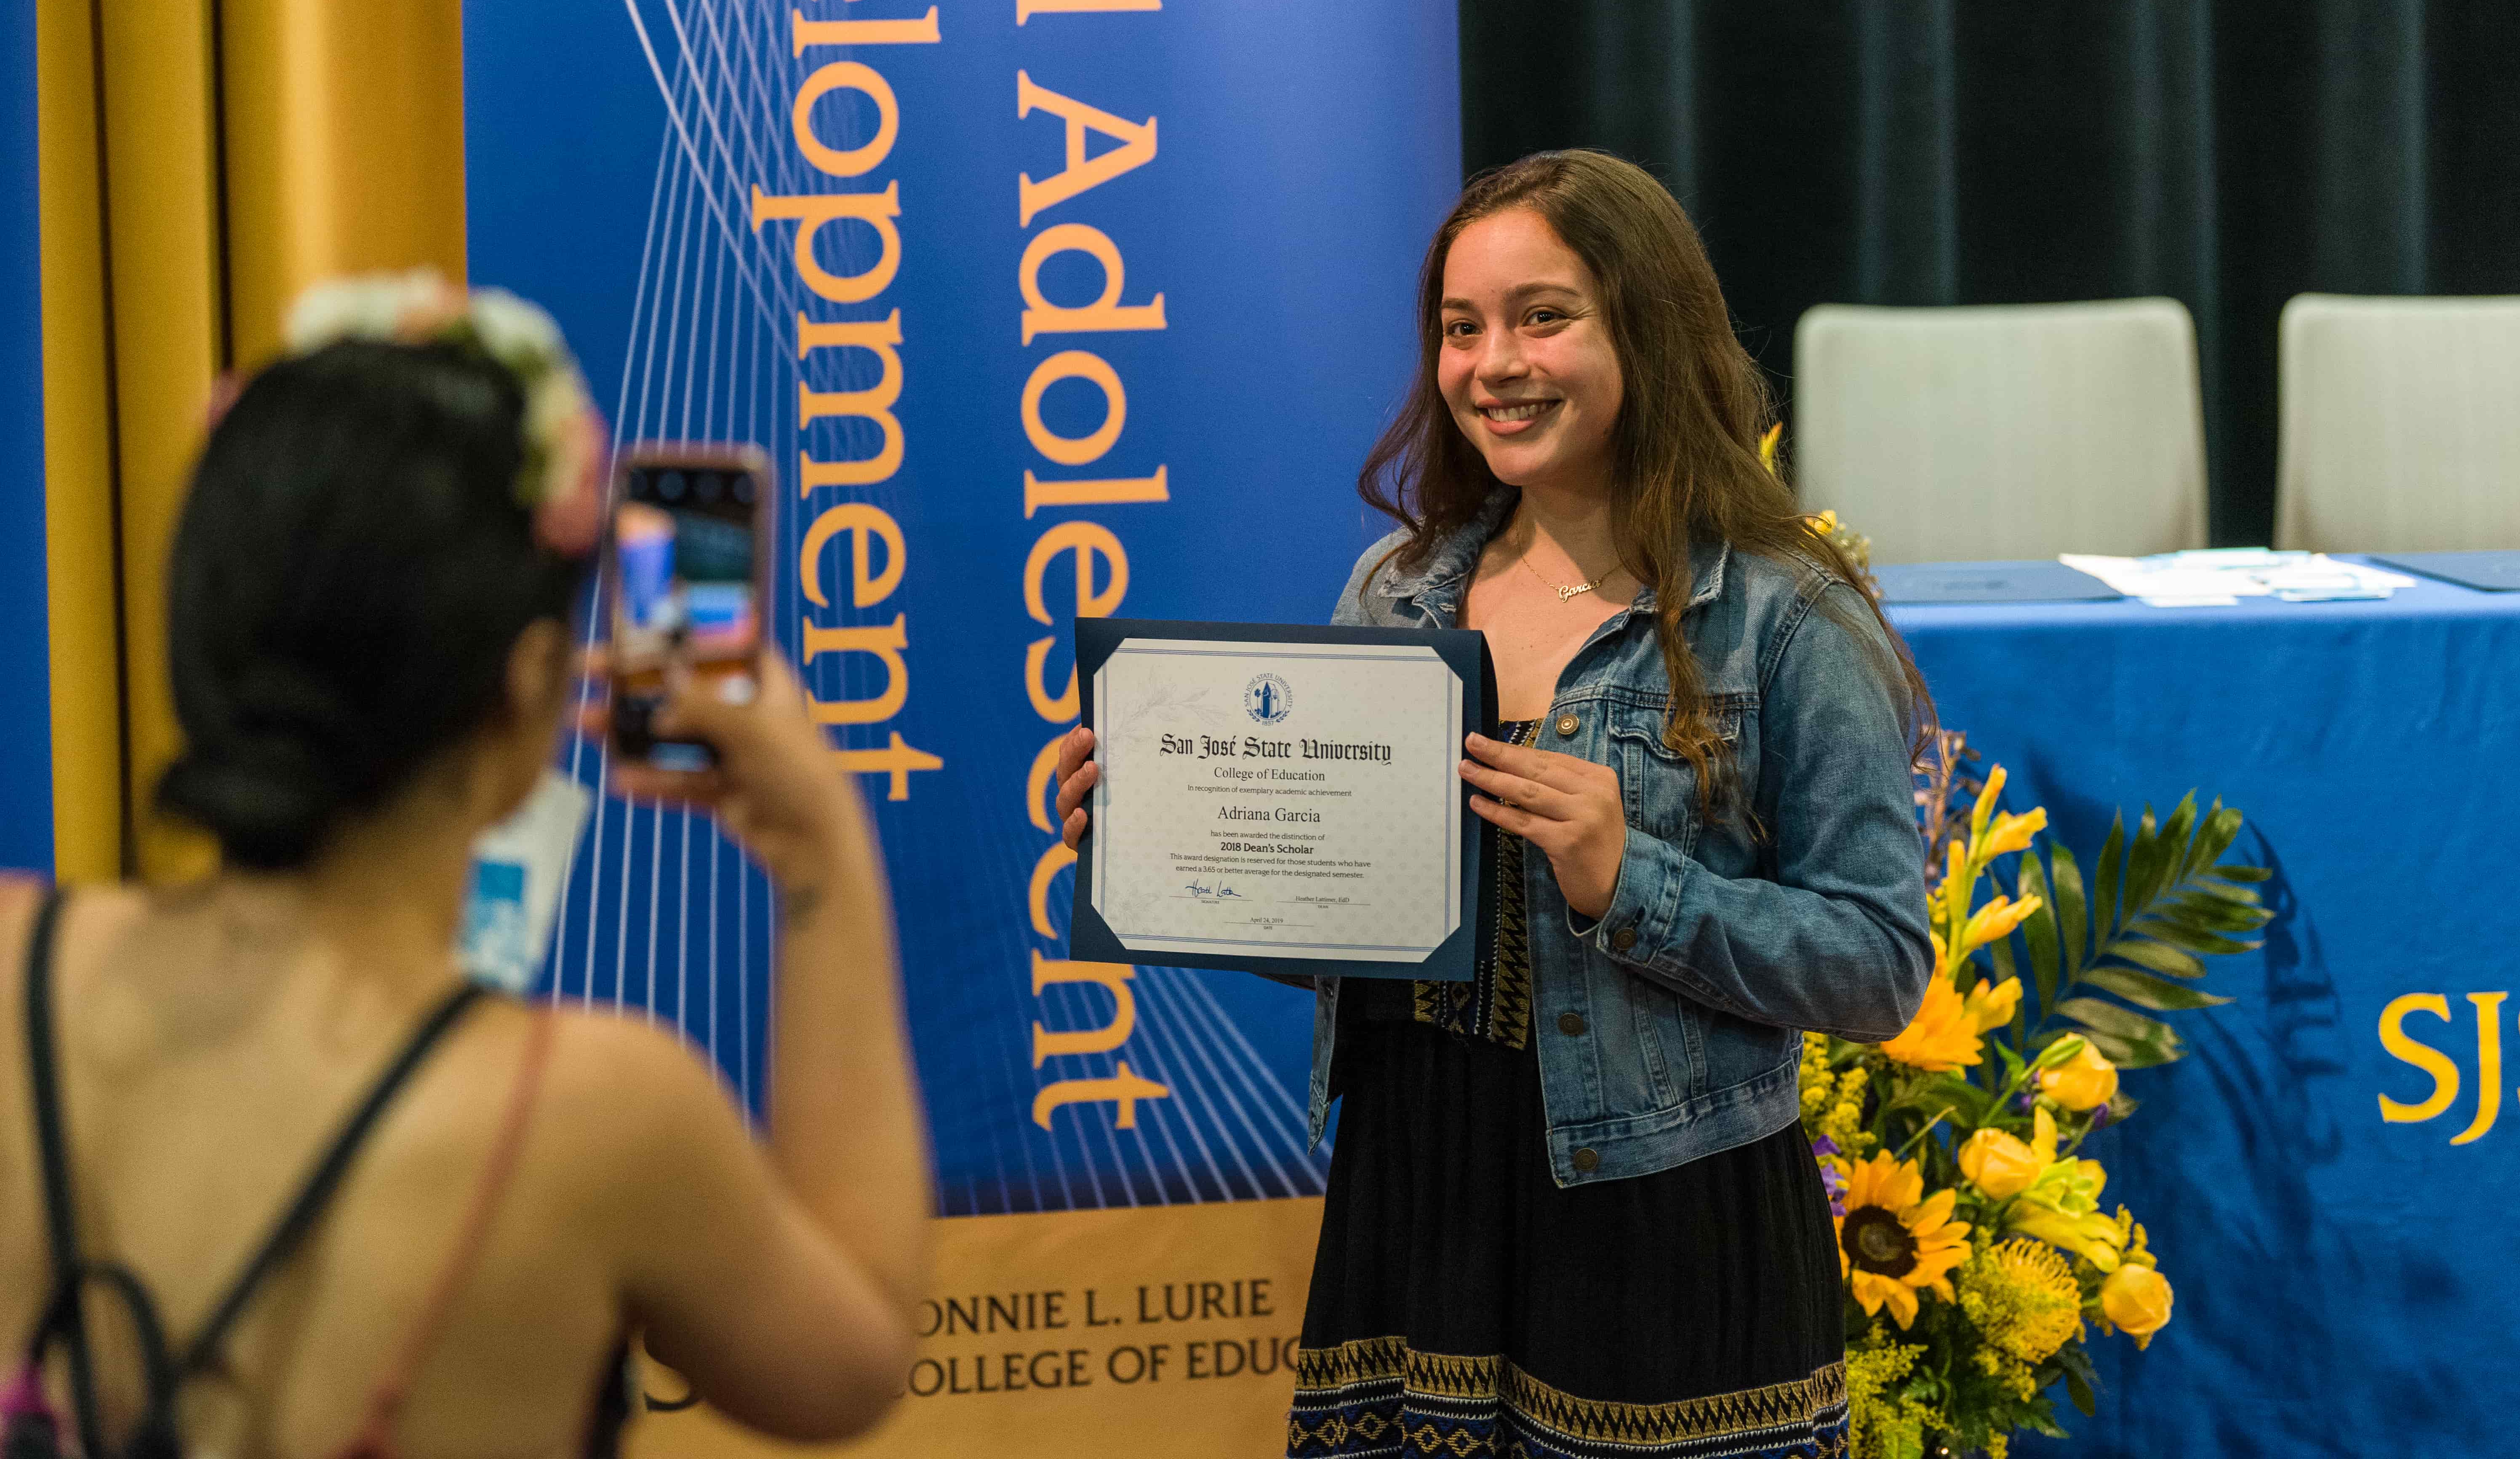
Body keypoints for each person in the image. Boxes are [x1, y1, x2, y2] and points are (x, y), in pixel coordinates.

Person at [1052, 151, 1933, 1459]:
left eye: (1543, 317)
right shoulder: (1395, 592)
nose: (1492, 365)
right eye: (1461, 330)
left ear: (1648, 324)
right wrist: (1159, 843)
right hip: (1416, 1203)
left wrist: (1632, 882)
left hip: (1664, 1224)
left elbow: (1879, 968)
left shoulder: (1787, 615)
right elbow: (1359, 926)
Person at [0, 276, 929, 1459]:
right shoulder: (601, 1117)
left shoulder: (17, 969)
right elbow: (849, 1363)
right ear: (533, 679)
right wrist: (825, 860)